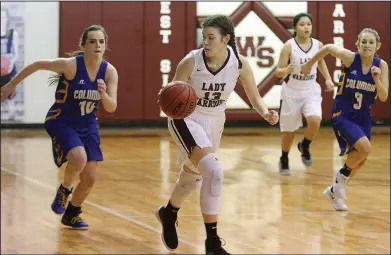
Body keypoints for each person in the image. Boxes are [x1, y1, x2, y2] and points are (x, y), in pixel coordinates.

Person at [155, 15, 279, 255]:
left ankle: (168, 213)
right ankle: (212, 241)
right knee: (214, 171)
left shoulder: (239, 64)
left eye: (211, 38)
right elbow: (173, 94)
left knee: (193, 177)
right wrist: (167, 97)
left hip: (215, 121)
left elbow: (254, 97)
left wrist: (266, 113)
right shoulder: (191, 61)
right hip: (186, 119)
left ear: (226, 39)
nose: (206, 42)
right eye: (205, 37)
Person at [1, 24, 119, 228]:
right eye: (92, 41)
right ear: (83, 45)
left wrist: (104, 95)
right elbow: (37, 65)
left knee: (89, 178)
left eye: (101, 41)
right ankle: (65, 189)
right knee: (79, 157)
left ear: (105, 45)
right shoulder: (71, 65)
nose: (97, 45)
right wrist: (12, 84)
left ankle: (72, 214)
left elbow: (111, 107)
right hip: (62, 119)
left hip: (88, 125)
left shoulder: (109, 71)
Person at [301, 28, 389, 211]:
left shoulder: (381, 66)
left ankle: (334, 191)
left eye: (371, 42)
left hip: (363, 118)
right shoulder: (350, 57)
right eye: (363, 42)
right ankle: (339, 178)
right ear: (358, 44)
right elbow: (327, 48)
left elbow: (383, 96)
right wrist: (310, 64)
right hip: (343, 114)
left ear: (377, 46)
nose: (367, 45)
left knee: (361, 159)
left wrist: (377, 80)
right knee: (365, 148)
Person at [275, 13, 334, 175]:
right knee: (289, 131)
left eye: (308, 24)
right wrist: (285, 70)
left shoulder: (317, 45)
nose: (306, 27)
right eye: (302, 24)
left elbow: (320, 62)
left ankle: (305, 145)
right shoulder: (288, 46)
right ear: (295, 27)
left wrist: (328, 79)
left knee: (315, 120)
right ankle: (284, 157)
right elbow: (278, 72)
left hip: (310, 89)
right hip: (291, 91)